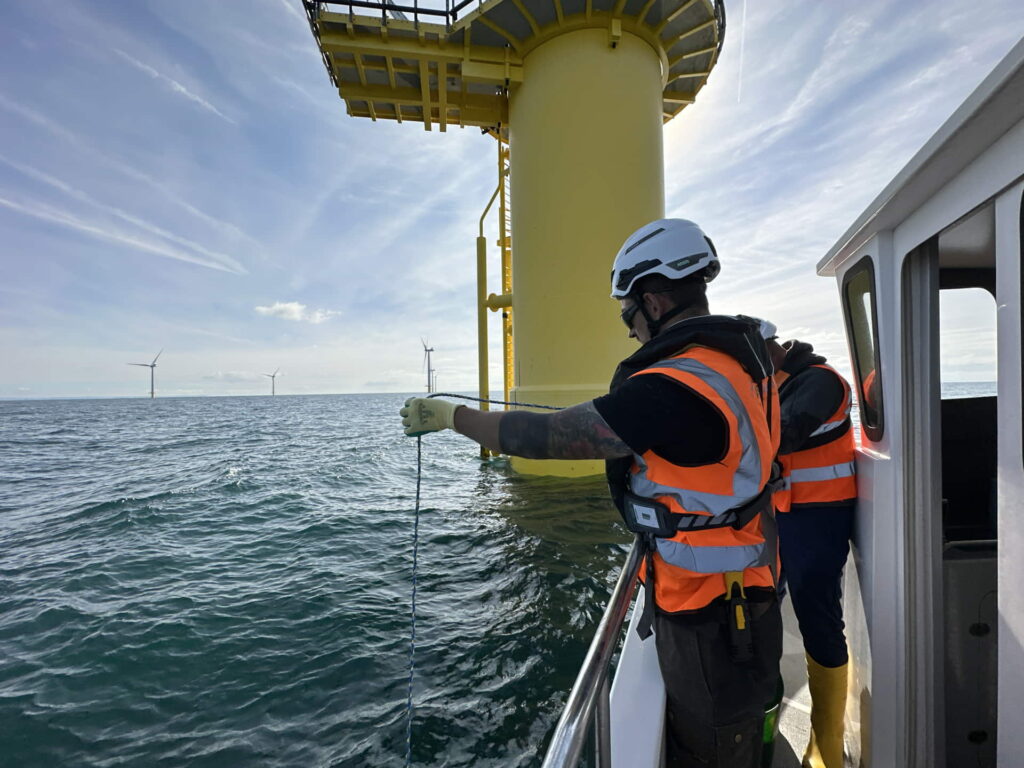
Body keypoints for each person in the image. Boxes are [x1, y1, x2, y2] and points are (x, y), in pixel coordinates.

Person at [401, 218, 783, 767]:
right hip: (744, 582)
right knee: (731, 731)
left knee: (715, 746)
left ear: (654, 301)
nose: (629, 331)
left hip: (713, 608)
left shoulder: (673, 387)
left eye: (628, 314)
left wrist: (451, 417)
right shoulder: (736, 362)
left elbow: (548, 437)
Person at [759, 321, 856, 768]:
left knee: (819, 623)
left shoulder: (820, 381)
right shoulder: (779, 384)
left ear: (768, 349)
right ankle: (766, 726)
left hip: (821, 518)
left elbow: (782, 434)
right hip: (785, 515)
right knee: (766, 615)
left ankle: (826, 749)